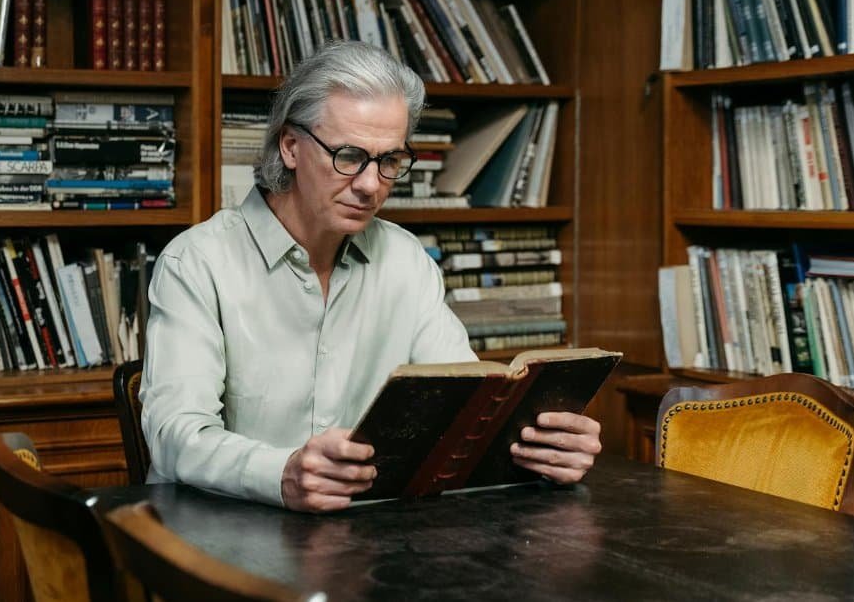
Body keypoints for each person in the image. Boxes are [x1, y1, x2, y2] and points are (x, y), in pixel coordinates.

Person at [140, 41, 601, 512]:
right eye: (348, 156)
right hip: (217, 538)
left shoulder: (405, 260)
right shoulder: (197, 261)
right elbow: (175, 435)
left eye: (388, 161)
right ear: (291, 147)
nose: (369, 184)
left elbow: (465, 411)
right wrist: (281, 473)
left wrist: (543, 453)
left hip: (367, 540)